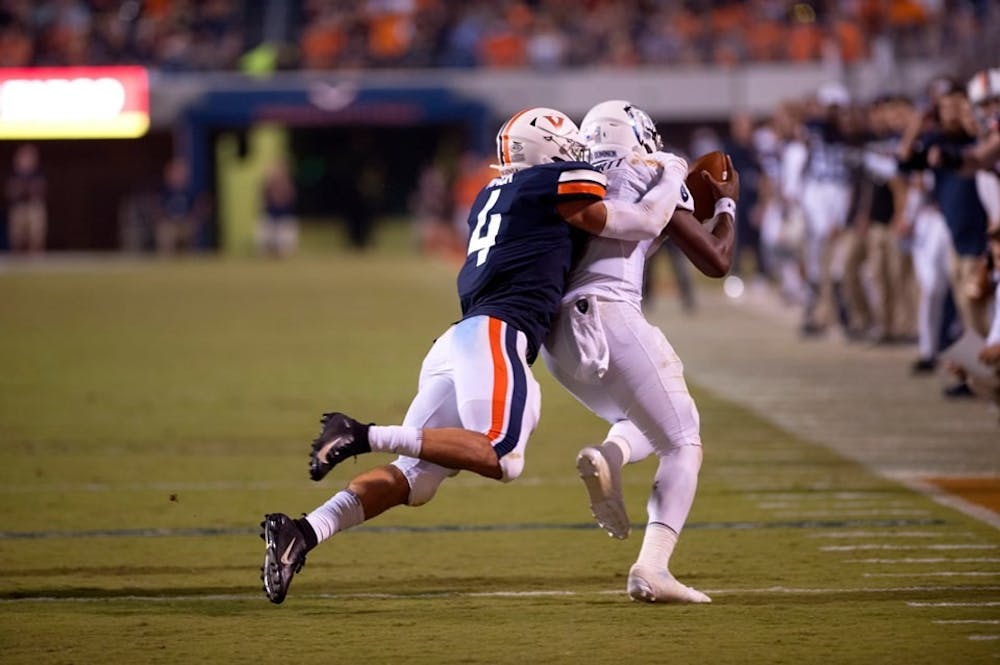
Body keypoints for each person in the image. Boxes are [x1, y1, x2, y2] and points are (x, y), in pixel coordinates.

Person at [259, 106, 691, 604]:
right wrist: (673, 171)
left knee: (415, 479)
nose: (580, 156)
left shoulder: (494, 195)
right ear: (549, 152)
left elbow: (597, 243)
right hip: (497, 334)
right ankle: (360, 433)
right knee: (503, 455)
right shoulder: (552, 180)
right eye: (569, 147)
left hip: (459, 342)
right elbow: (637, 220)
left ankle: (303, 531)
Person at [541, 100, 737, 603]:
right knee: (683, 440)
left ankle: (610, 454)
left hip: (555, 338)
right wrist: (727, 205)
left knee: (649, 420)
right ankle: (652, 567)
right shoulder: (650, 170)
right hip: (609, 315)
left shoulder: (566, 175)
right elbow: (716, 260)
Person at [5, 144, 46, 254]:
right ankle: (17, 263)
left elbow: (39, 190)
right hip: (18, 207)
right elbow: (10, 191)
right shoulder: (13, 173)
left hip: (32, 206)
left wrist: (28, 188)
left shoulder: (38, 173)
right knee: (17, 238)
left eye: (29, 157)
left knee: (35, 236)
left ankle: (36, 262)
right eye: (23, 157)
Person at [256, 158, 298, 258]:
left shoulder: (288, 183)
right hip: (270, 215)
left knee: (285, 246)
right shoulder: (268, 183)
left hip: (285, 216)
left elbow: (291, 198)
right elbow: (263, 198)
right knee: (264, 241)